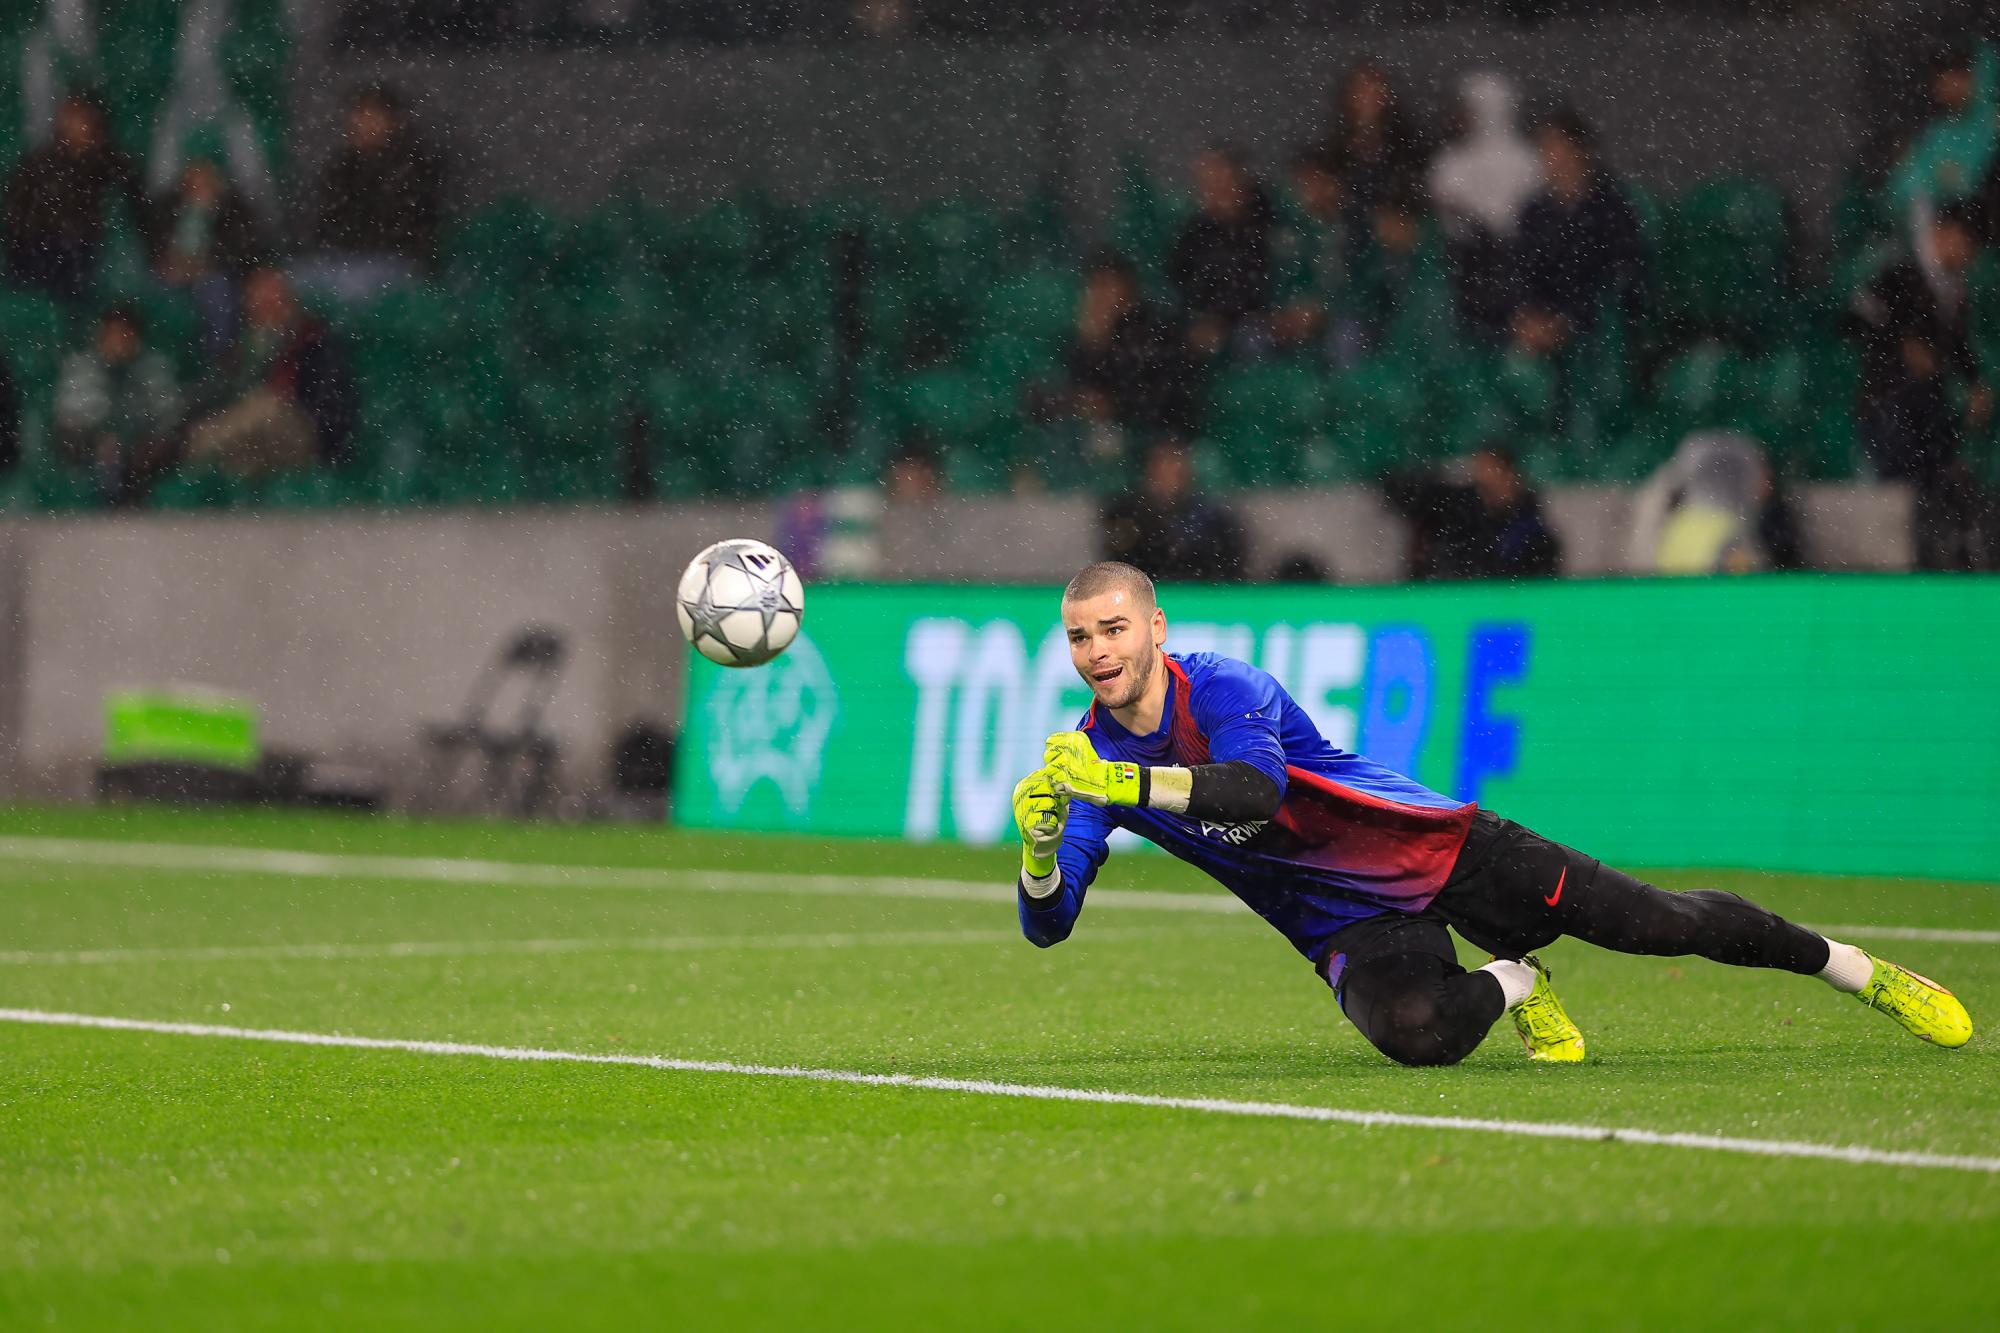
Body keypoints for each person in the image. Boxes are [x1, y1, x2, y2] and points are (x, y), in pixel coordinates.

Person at [1008, 561, 1973, 1068]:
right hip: (1349, 924)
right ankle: (1517, 979)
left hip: (1441, 850)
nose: (1098, 650)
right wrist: (1045, 848)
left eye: (1115, 628)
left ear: (1156, 626)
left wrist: (1122, 786)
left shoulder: (1219, 686)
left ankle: (1859, 971)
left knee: (1664, 924)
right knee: (1418, 1035)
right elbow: (1049, 927)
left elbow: (1254, 789)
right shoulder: (1084, 759)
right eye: (1080, 636)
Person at [1844, 201, 1993, 570]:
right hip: (1890, 405)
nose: (1967, 254)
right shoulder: (1900, 273)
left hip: (1929, 406)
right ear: (1942, 233)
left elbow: (1958, 349)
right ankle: (1910, 565)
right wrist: (1899, 343)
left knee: (1942, 486)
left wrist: (1975, 384)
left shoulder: (1953, 289)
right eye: (1964, 242)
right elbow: (1854, 319)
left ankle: (1944, 558)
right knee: (1908, 493)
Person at [184, 267, 356, 477]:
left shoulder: (310, 335)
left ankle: (196, 445)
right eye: (256, 293)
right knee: (236, 455)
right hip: (260, 430)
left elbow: (325, 395)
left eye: (271, 291)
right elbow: (226, 388)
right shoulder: (247, 342)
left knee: (264, 406)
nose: (262, 301)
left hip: (307, 428)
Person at [1031, 250, 1198, 455]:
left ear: (1129, 291)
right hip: (1093, 435)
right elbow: (1056, 395)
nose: (1100, 295)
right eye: (1095, 285)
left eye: (1108, 285)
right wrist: (1093, 343)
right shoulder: (1082, 335)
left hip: (1150, 437)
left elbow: (1161, 398)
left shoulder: (1155, 332)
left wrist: (1113, 405)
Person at [293, 84, 445, 302]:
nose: (364, 124)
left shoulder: (414, 166)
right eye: (359, 116)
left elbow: (403, 228)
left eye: (373, 116)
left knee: (353, 285)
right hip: (341, 260)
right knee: (288, 281)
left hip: (397, 261)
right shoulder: (341, 167)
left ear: (394, 121)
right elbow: (329, 224)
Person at [1511, 108, 1646, 352]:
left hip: (1599, 330)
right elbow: (1524, 271)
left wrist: (1568, 322)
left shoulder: (1610, 208)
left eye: (1556, 145)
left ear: (1579, 149)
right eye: (1544, 146)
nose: (1549, 155)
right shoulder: (1535, 212)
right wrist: (1529, 317)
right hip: (1544, 330)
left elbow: (1621, 275)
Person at [3, 91, 152, 304]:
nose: (72, 124)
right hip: (38, 240)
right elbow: (17, 204)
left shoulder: (110, 161)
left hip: (85, 242)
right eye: (69, 116)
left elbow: (132, 202)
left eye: (79, 117)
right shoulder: (40, 160)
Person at [1427, 71, 1540, 341]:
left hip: (1512, 266)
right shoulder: (1448, 160)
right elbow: (1441, 212)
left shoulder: (1526, 160)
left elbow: (1523, 216)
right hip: (1459, 266)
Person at [54, 306, 183, 507]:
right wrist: (101, 437)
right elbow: (70, 414)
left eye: (125, 335)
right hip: (89, 442)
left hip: (143, 444)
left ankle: (132, 500)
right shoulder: (81, 365)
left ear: (137, 338)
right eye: (113, 335)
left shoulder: (155, 366)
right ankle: (105, 500)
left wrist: (135, 438)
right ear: (100, 337)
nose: (119, 342)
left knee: (160, 446)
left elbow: (168, 414)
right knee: (91, 445)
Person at [1382, 443, 1561, 581]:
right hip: (1453, 605)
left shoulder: (1532, 532)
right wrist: (1449, 469)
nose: (1485, 478)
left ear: (1512, 475)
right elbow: (1399, 491)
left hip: (1503, 613)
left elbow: (1535, 587)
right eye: (1480, 471)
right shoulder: (1460, 512)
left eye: (1493, 470)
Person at [152, 153, 265, 358]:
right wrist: (168, 261)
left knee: (218, 293)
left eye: (206, 178)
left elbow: (241, 251)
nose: (199, 185)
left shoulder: (234, 210)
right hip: (172, 272)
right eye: (194, 178)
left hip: (214, 274)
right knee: (151, 291)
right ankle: (163, 355)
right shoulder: (168, 206)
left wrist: (203, 265)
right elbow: (154, 241)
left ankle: (217, 357)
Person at [1167, 148, 1276, 358]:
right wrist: (1198, 319)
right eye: (1206, 185)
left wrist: (1222, 320)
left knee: (1253, 340)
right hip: (1207, 321)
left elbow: (1260, 284)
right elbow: (1179, 283)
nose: (1213, 192)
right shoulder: (1195, 232)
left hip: (1254, 321)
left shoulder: (1268, 224)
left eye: (1221, 182)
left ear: (1240, 180)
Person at [1100, 439, 1246, 583]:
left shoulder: (1212, 518)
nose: (1168, 477)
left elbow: (1228, 565)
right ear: (1149, 471)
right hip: (1144, 594)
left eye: (1176, 471)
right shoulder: (1126, 513)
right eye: (1162, 468)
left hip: (1199, 594)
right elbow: (1118, 565)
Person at [1321, 62, 1427, 225]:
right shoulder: (1333, 151)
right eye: (1361, 89)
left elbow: (1416, 195)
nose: (1368, 97)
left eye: (1374, 89)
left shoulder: (1407, 148)